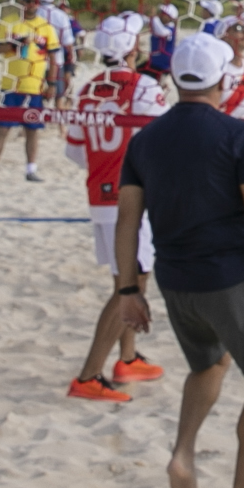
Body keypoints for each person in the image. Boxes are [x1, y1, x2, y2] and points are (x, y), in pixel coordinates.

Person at [110, 32, 244, 488]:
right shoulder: (239, 135)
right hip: (227, 276)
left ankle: (183, 453)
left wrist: (128, 290)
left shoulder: (145, 139)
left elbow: (127, 221)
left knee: (210, 364)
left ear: (175, 79)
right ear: (223, 79)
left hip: (174, 277)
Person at [64, 27, 173, 402]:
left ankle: (127, 358)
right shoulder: (143, 87)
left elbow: (74, 152)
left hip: (99, 193)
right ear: (132, 50)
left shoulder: (88, 88)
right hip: (132, 199)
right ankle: (88, 377)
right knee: (129, 288)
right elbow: (165, 141)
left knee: (129, 280)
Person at [0, 0, 56, 181]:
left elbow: (54, 58)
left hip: (35, 86)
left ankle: (31, 170)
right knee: (3, 128)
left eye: (35, 2)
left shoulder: (46, 27)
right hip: (11, 85)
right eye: (28, 1)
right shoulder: (9, 23)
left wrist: (52, 83)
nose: (32, 5)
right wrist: (16, 43)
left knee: (32, 129)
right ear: (21, 2)